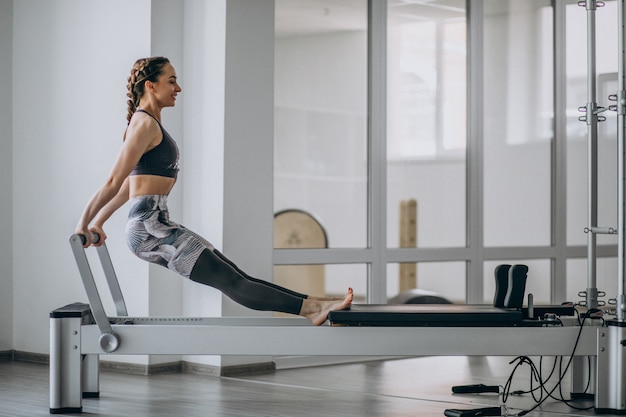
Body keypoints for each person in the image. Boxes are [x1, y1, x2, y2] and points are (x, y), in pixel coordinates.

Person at [75, 56, 353, 326]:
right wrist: (83, 224)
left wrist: (99, 222)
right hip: (150, 229)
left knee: (236, 275)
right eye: (171, 81)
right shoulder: (144, 124)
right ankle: (313, 310)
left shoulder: (147, 124)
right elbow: (114, 181)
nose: (178, 88)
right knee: (233, 282)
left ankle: (316, 305)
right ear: (150, 85)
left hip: (155, 225)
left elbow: (128, 188)